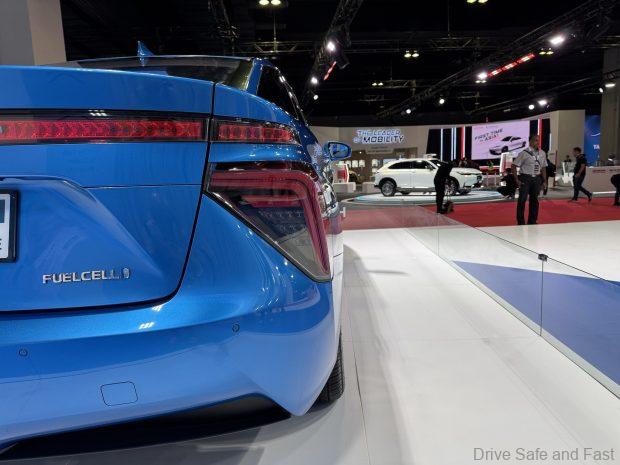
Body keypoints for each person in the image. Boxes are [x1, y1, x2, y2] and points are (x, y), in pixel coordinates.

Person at [512, 134, 547, 225]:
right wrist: (517, 179)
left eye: (538, 140)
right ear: (530, 141)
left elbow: (543, 167)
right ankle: (521, 222)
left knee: (534, 200)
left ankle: (532, 221)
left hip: (537, 178)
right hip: (525, 178)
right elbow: (513, 166)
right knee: (522, 200)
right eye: (535, 140)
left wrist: (544, 181)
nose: (537, 142)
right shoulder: (524, 153)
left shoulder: (542, 153)